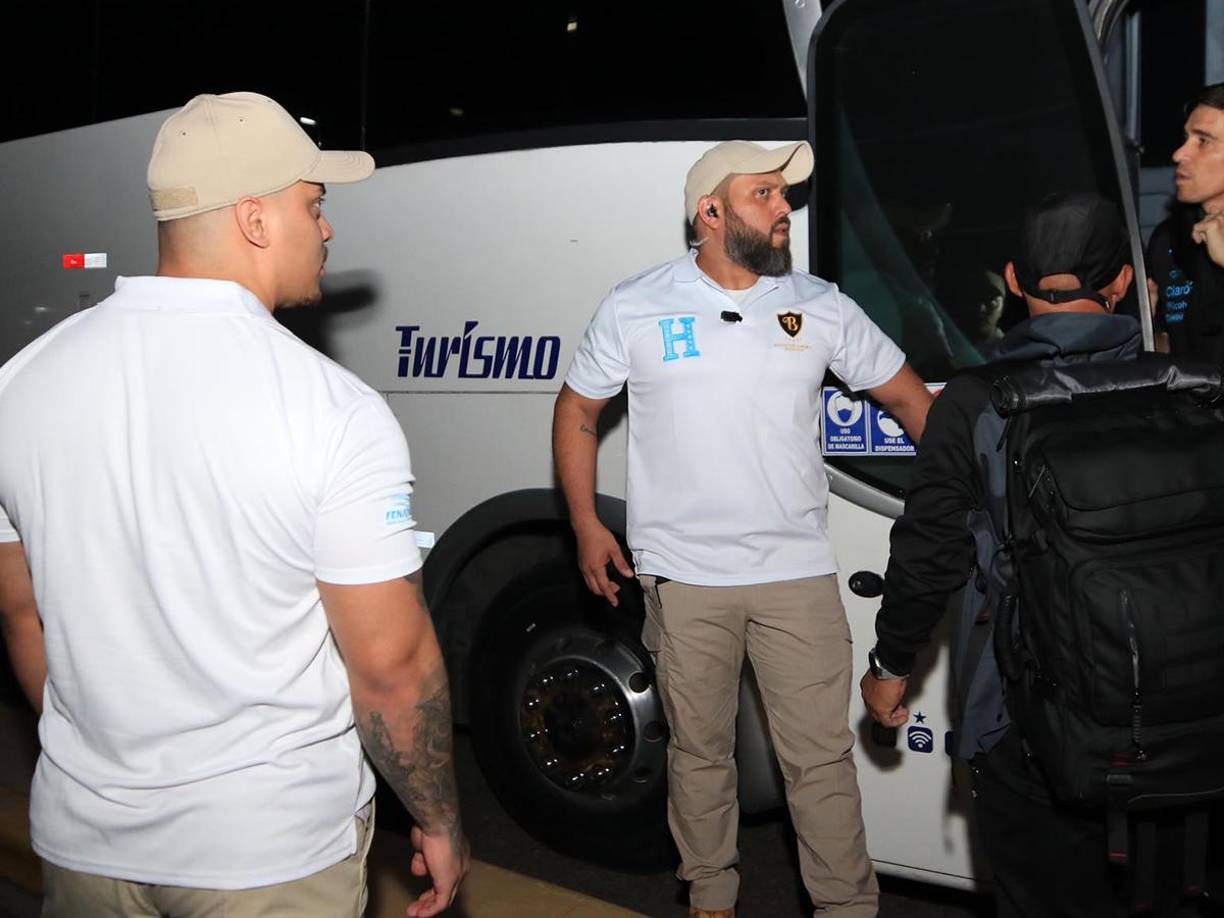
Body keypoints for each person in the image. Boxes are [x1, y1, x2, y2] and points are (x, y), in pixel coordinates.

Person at [0, 92, 468, 917]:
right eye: (312, 205)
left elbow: (25, 615)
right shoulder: (331, 409)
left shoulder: (21, 385)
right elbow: (391, 672)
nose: (326, 229)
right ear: (254, 219)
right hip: (268, 856)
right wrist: (437, 817)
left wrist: (114, 766)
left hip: (85, 846)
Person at [553, 140, 933, 918]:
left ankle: (846, 908)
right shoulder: (637, 304)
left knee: (820, 762)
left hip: (795, 574)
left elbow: (910, 399)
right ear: (712, 211)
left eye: (783, 195)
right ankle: (711, 900)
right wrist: (586, 523)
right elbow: (578, 409)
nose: (783, 208)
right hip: (685, 578)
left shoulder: (821, 305)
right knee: (700, 756)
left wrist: (963, 495)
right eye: (764, 194)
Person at [862, 192, 1221, 917]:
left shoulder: (978, 401)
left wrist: (890, 668)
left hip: (1028, 726)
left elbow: (929, 553)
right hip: (1195, 720)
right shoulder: (1195, 389)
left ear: (1015, 281)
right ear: (1122, 283)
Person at [1149, 83, 1224, 359]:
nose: (1179, 154)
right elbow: (1172, 351)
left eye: (1203, 141)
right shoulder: (1168, 240)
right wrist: (1146, 335)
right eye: (1185, 139)